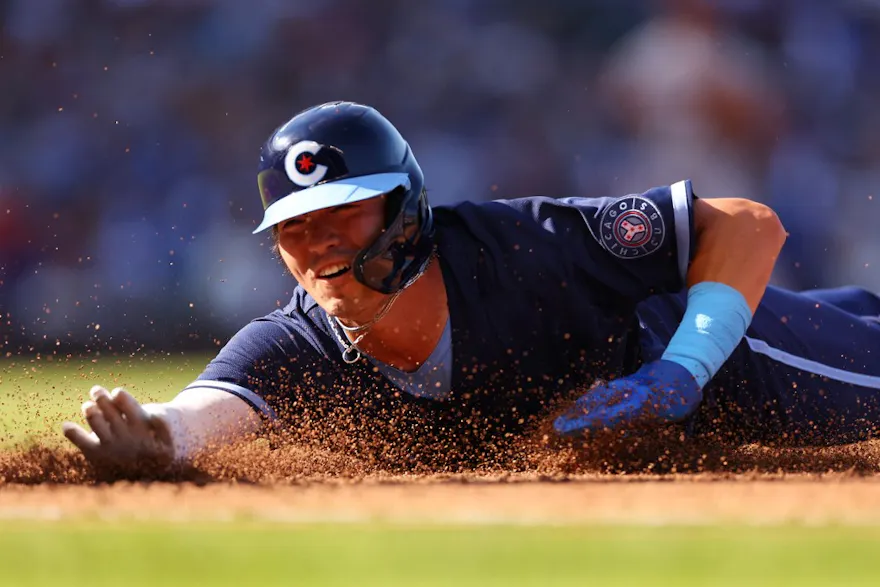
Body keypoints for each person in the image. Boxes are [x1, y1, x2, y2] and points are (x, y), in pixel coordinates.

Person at [62, 101, 880, 477]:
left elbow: (744, 223)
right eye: (296, 226)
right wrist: (157, 436)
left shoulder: (521, 246)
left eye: (343, 212)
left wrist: (683, 368)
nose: (319, 244)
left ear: (407, 211)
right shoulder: (300, 341)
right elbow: (205, 410)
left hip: (727, 361)